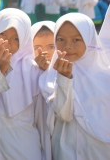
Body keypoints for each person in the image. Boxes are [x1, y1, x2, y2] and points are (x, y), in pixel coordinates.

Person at [0, 8, 50, 160]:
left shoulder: (33, 72)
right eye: (2, 34)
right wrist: (0, 69)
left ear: (24, 41)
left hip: (24, 151)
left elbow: (42, 122)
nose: (7, 42)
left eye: (16, 38)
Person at [39, 13, 110, 159]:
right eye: (60, 39)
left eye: (77, 39)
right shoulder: (50, 76)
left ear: (89, 40)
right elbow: (63, 114)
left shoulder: (105, 78)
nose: (68, 46)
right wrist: (64, 80)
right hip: (66, 152)